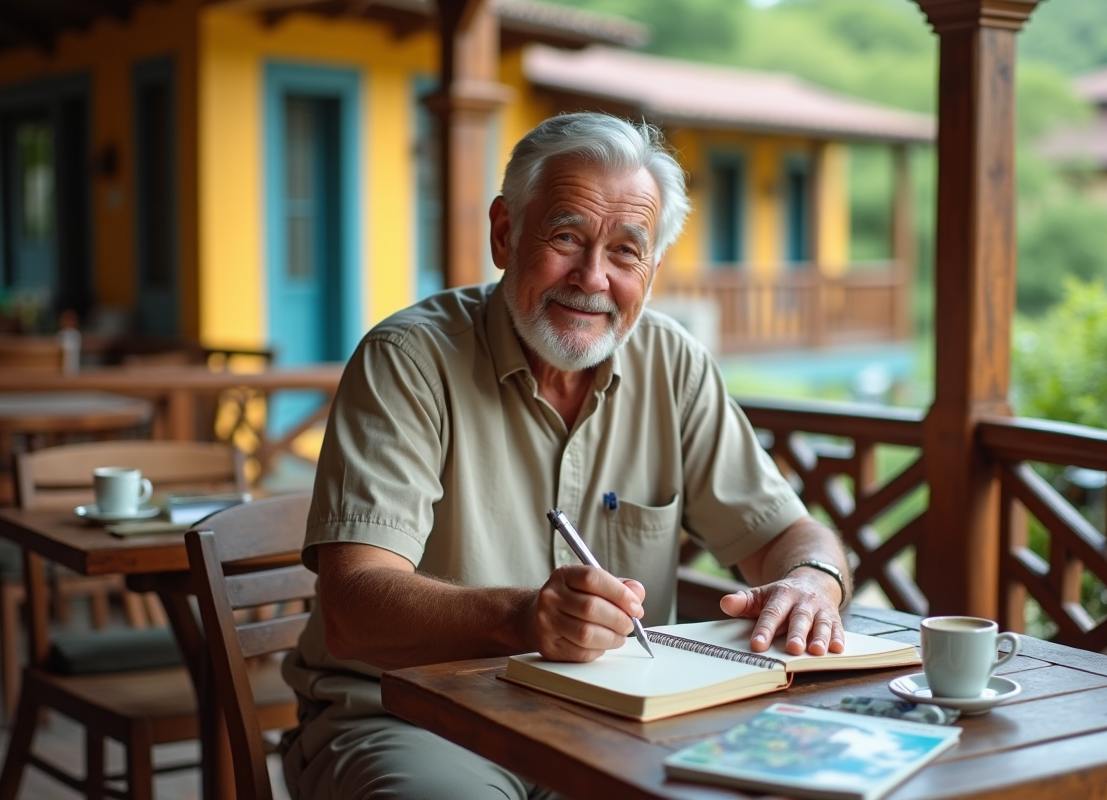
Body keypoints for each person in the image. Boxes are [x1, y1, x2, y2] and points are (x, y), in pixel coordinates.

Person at [279, 111, 852, 799]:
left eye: (625, 252)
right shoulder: (408, 361)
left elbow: (788, 534)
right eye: (565, 237)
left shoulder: (672, 363)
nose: (592, 277)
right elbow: (352, 608)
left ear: (652, 268)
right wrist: (522, 619)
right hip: (413, 719)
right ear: (504, 233)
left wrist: (813, 581)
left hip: (615, 722)